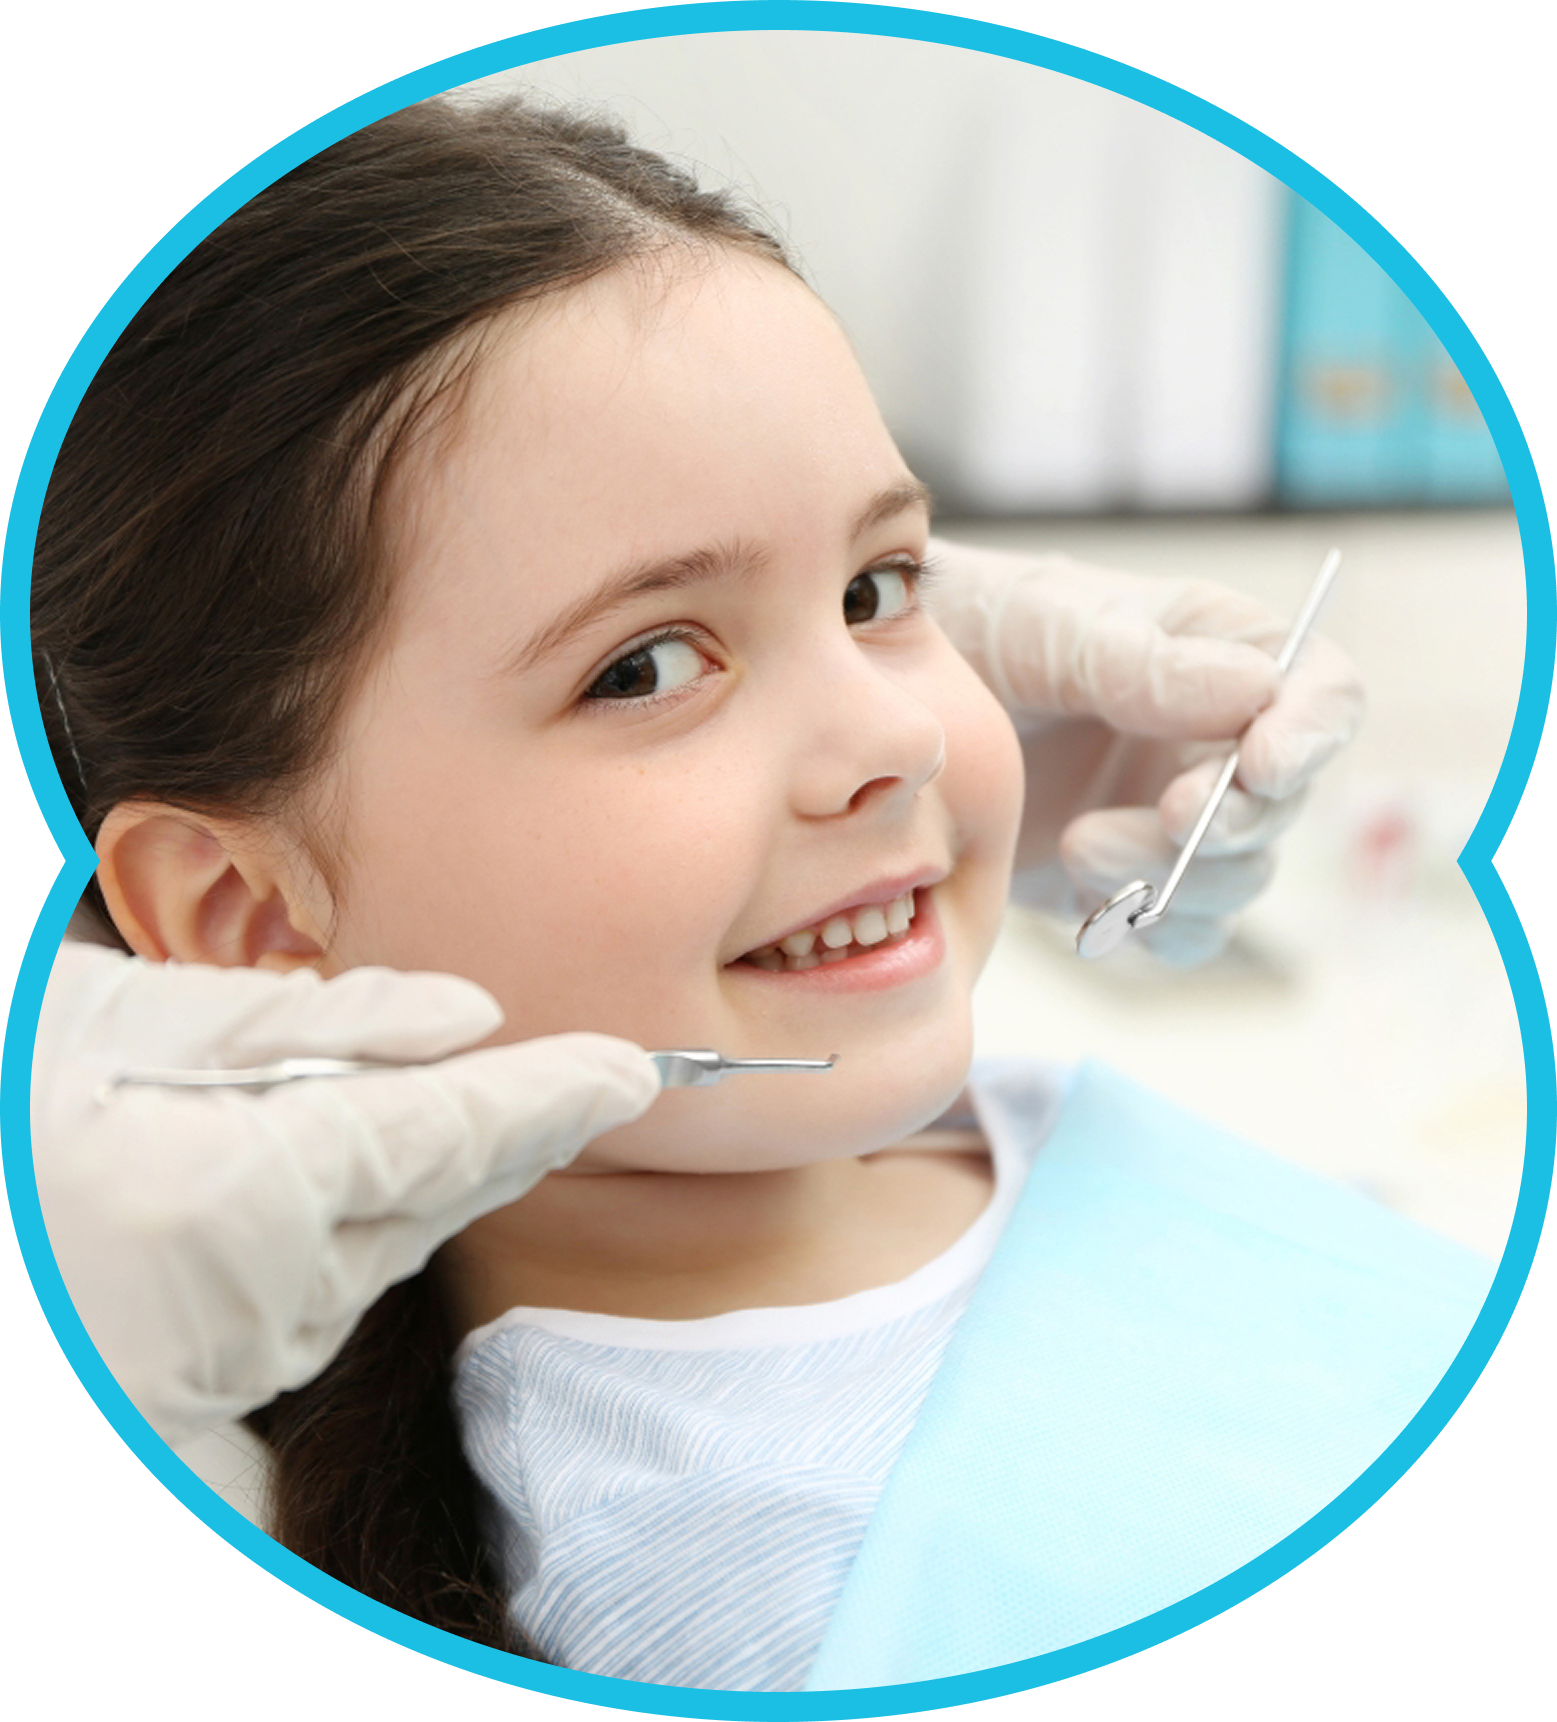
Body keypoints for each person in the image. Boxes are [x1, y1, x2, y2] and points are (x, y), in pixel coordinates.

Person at [30, 93, 1471, 1693]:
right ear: (246, 918)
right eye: (644, 665)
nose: (893, 733)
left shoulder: (1062, 1127)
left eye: (878, 586)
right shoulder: (721, 1593)